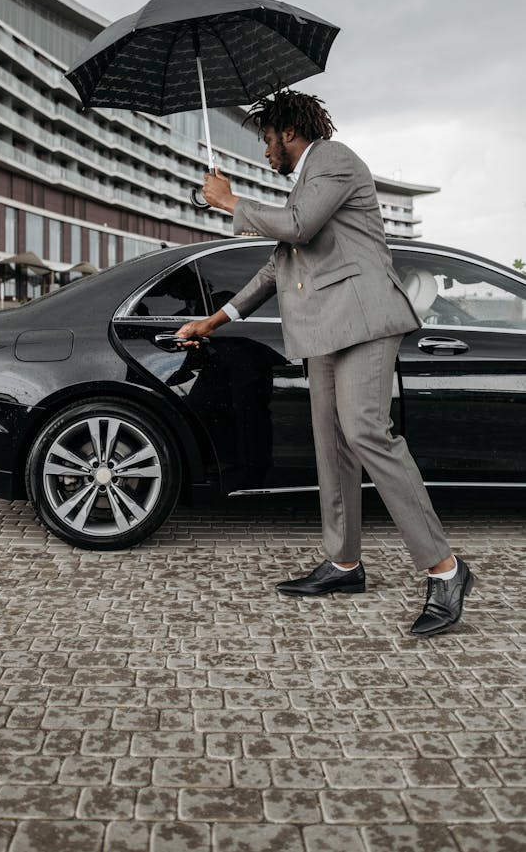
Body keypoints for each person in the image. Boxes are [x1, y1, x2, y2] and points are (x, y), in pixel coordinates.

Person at [175, 89, 474, 637]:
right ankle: (343, 564)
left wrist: (230, 202)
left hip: (363, 320)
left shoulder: (333, 160)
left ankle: (445, 569)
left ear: (289, 133)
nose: (265, 153)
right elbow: (277, 266)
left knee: (366, 433)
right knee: (332, 445)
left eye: (266, 141)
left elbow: (299, 225)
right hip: (323, 331)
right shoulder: (305, 181)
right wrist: (214, 321)